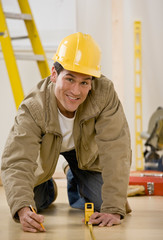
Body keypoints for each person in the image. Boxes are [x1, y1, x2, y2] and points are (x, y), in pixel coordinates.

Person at [1, 32, 132, 233]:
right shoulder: (33, 107)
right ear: (54, 74)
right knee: (30, 201)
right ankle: (48, 186)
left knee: (105, 203)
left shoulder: (104, 94)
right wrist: (23, 208)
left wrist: (114, 208)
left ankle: (74, 175)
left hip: (87, 157)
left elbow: (116, 149)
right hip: (45, 160)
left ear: (92, 82)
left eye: (84, 82)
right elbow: (17, 160)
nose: (76, 91)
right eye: (69, 79)